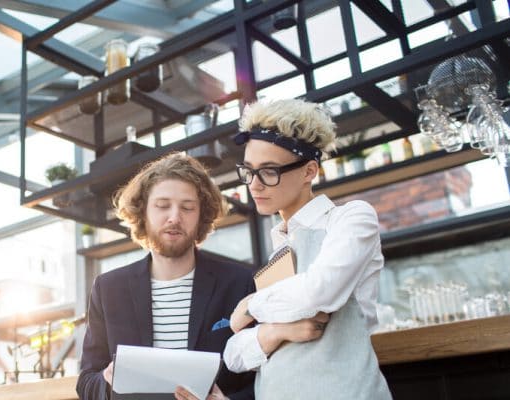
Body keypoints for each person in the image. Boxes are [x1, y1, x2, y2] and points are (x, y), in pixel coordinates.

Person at [222, 99, 392, 399]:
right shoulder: (278, 252)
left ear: (309, 171)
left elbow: (320, 291)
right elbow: (234, 355)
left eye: (269, 171)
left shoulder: (350, 218)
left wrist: (251, 304)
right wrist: (275, 331)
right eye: (248, 171)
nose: (255, 185)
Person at [76, 153, 256, 400]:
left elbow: (262, 378)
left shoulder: (239, 283)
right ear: (143, 212)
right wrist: (108, 378)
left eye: (187, 207)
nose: (174, 217)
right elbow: (86, 383)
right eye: (162, 206)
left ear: (201, 215)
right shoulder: (108, 289)